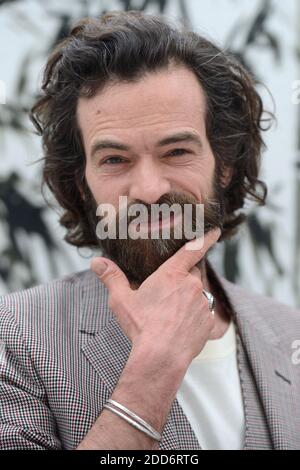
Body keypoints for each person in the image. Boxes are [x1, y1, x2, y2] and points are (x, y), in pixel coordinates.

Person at [0, 10, 299, 451]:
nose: (149, 190)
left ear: (226, 165)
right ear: (82, 183)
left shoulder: (288, 331)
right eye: (115, 160)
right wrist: (151, 376)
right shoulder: (15, 337)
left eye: (176, 151)